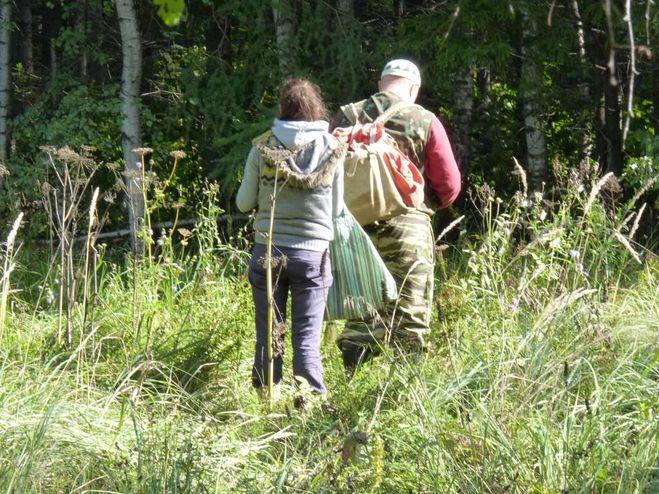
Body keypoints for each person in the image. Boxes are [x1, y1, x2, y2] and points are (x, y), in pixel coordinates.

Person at [332, 59, 461, 370]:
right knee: (410, 314)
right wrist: (426, 204)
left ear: (381, 84)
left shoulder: (347, 115)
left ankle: (350, 383)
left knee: (359, 309)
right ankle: (404, 396)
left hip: (352, 229)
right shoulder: (424, 119)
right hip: (408, 227)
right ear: (413, 89)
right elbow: (449, 185)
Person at [236, 78, 345, 398]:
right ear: (316, 109)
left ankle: (267, 401)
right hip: (312, 256)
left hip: (267, 250)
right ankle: (307, 407)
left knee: (269, 335)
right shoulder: (332, 148)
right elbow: (336, 209)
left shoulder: (263, 146)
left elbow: (243, 203)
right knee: (307, 339)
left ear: (282, 108)